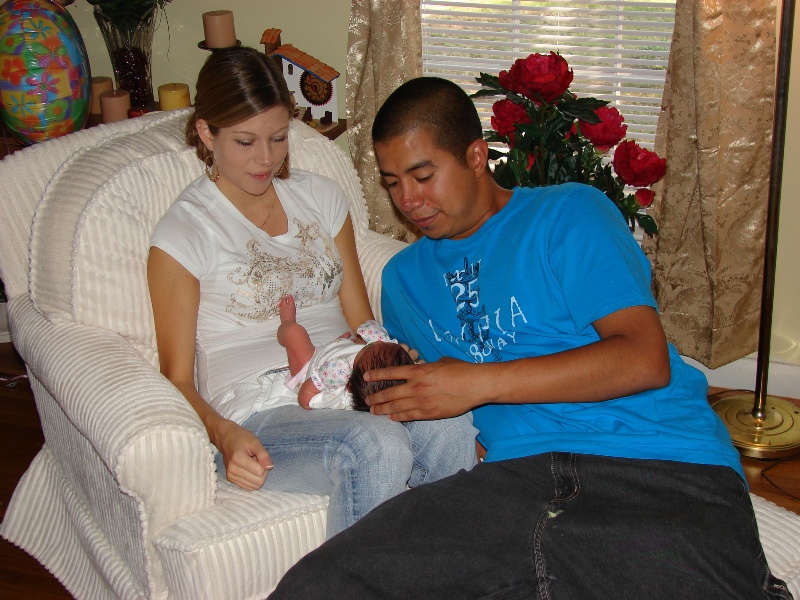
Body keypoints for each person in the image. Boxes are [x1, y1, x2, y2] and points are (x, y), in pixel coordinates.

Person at [269, 77, 792, 598]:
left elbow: (644, 359)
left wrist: (477, 383)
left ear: (476, 156)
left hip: (657, 466)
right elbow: (423, 400)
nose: (408, 199)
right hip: (512, 486)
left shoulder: (569, 213)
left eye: (423, 175)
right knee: (319, 585)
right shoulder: (404, 280)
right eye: (391, 183)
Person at [147, 51, 478, 539]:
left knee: (450, 422)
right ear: (206, 134)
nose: (266, 158)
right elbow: (176, 378)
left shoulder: (320, 197)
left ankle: (453, 568)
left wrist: (388, 358)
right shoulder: (184, 232)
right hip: (258, 410)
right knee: (376, 445)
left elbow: (360, 317)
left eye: (279, 137)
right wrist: (223, 433)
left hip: (347, 380)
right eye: (245, 141)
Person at [277, 295, 415, 411]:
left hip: (308, 370)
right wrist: (342, 347)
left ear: (349, 386)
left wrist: (321, 378)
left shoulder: (336, 390)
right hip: (331, 355)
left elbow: (305, 400)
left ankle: (287, 322)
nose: (376, 342)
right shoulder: (367, 362)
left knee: (294, 333)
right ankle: (337, 348)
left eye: (367, 347)